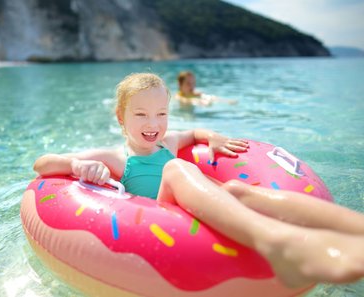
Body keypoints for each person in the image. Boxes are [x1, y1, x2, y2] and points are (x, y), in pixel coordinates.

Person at [34, 73, 364, 289]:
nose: (154, 123)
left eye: (161, 113)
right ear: (121, 118)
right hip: (167, 221)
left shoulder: (171, 142)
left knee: (236, 188)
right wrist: (80, 165)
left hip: (207, 203)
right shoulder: (116, 158)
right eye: (141, 114)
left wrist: (213, 137)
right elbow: (43, 164)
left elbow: (193, 132)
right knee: (176, 171)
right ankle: (277, 244)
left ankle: (354, 230)